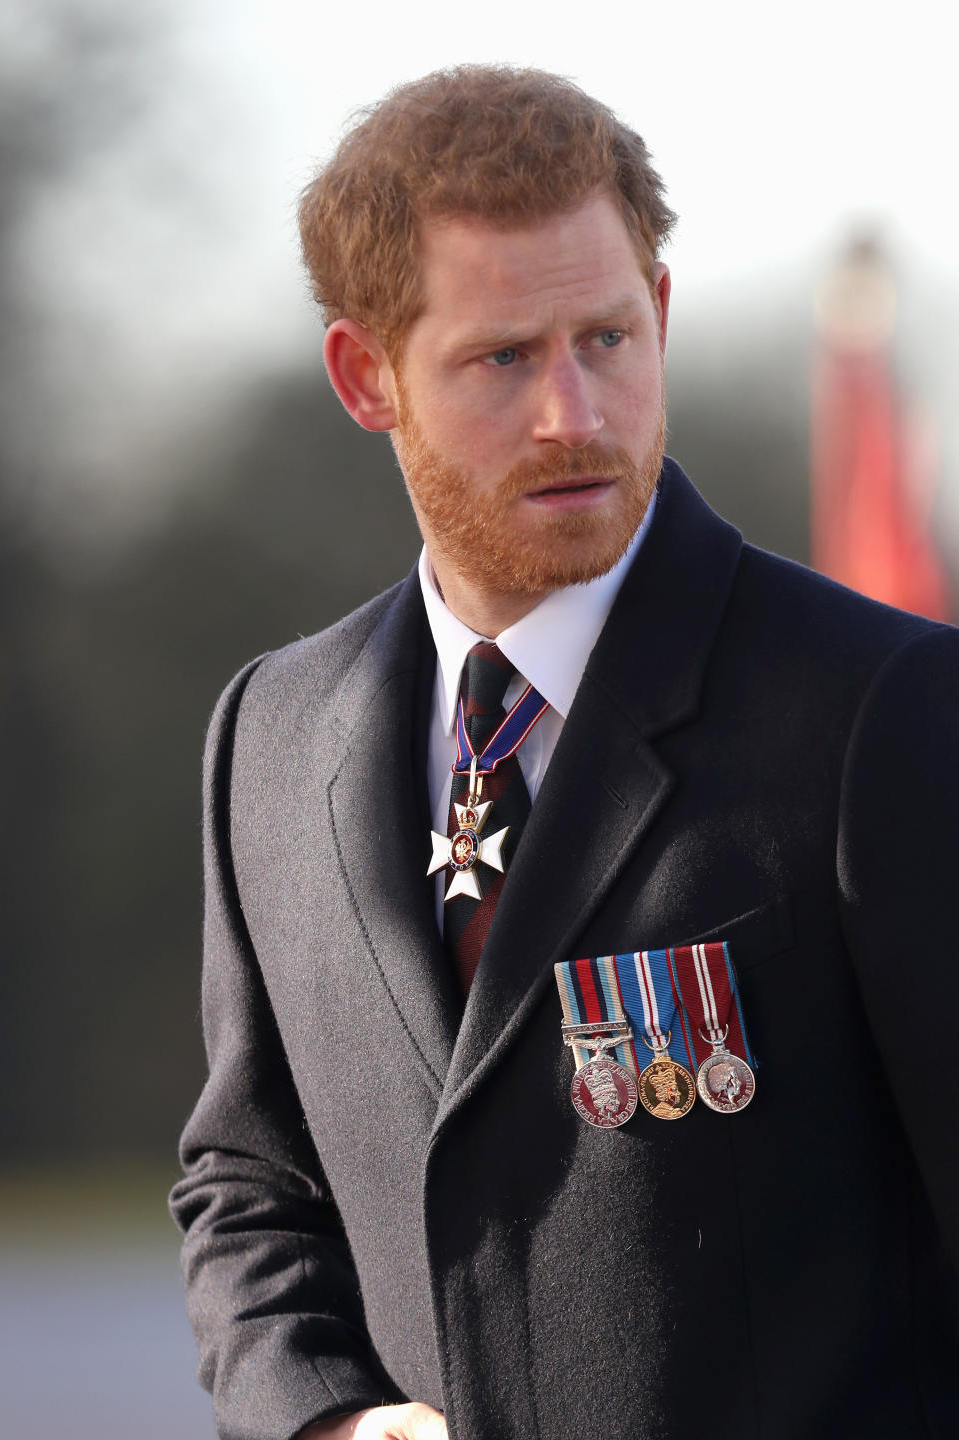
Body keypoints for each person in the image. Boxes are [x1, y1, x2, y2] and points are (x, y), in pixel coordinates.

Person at [171, 65, 959, 1440]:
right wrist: (328, 1419)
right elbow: (250, 1186)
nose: (575, 418)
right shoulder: (269, 742)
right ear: (369, 377)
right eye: (502, 359)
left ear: (659, 312)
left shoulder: (880, 709)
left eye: (606, 339)